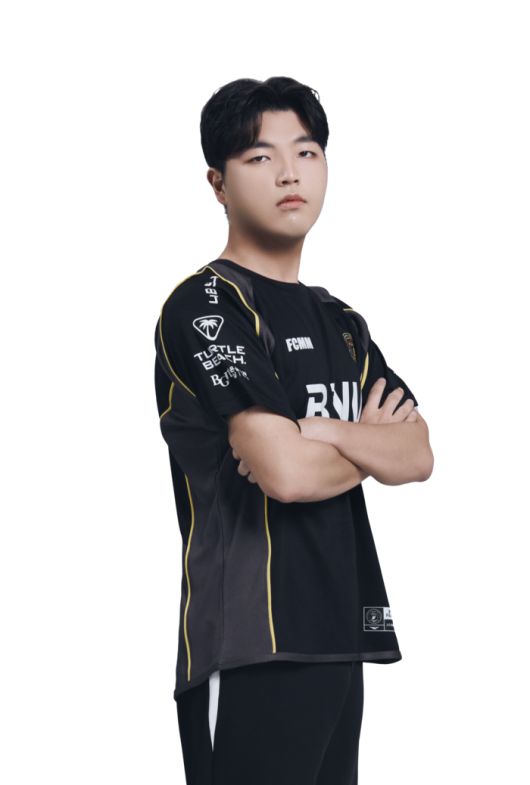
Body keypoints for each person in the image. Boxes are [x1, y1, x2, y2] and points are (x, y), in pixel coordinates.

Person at [153, 76, 434, 785]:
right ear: (217, 183)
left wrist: (315, 430)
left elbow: (417, 452)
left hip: (338, 635)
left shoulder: (340, 320)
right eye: (260, 157)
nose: (289, 173)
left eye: (306, 152)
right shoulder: (207, 306)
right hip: (251, 644)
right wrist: (360, 441)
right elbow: (285, 473)